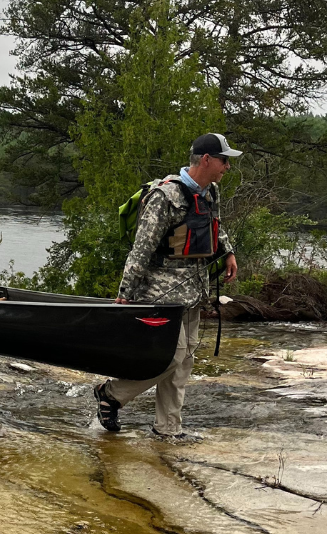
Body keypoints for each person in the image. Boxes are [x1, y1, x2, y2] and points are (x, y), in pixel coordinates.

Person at [94, 132, 240, 443]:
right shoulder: (164, 197)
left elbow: (214, 225)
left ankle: (168, 429)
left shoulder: (210, 191)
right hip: (161, 294)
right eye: (224, 161)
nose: (227, 167)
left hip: (194, 291)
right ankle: (111, 394)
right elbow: (141, 249)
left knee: (183, 364)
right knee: (171, 357)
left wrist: (227, 252)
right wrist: (124, 295)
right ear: (206, 160)